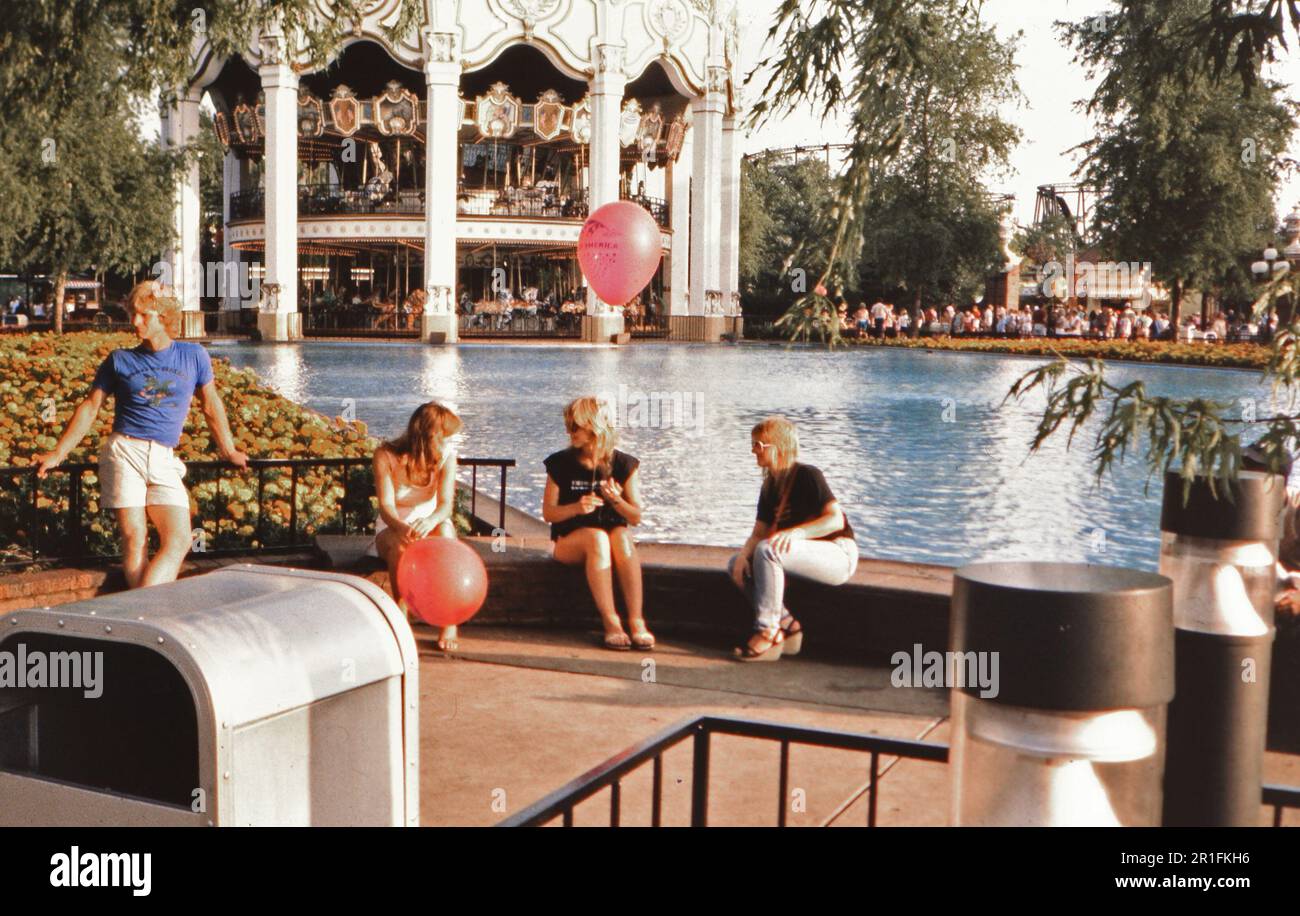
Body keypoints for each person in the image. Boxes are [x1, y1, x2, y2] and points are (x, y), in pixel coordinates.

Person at [35, 281, 249, 588]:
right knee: (135, 538)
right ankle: (147, 614)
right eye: (133, 314)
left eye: (142, 315)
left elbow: (211, 406)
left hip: (164, 457)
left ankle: (144, 610)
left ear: (164, 316)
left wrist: (229, 451)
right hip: (124, 452)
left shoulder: (194, 356)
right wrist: (58, 453)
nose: (134, 322)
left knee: (179, 540)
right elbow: (90, 408)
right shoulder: (119, 360)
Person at [727, 416, 858, 661]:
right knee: (737, 562)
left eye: (758, 445)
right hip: (803, 555)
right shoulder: (769, 487)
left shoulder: (808, 476)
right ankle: (787, 623)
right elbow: (759, 533)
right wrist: (743, 556)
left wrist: (798, 533)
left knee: (768, 550)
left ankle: (769, 630)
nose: (753, 451)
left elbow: (835, 520)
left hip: (837, 552)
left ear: (777, 447)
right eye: (753, 444)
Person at [542, 396, 653, 650]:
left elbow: (635, 517)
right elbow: (548, 513)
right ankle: (611, 622)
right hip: (570, 543)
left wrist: (616, 501)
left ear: (595, 427)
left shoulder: (624, 464)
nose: (569, 432)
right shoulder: (559, 463)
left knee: (622, 537)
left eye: (575, 426)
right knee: (597, 538)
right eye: (568, 425)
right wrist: (576, 508)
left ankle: (636, 621)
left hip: (612, 540)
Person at [368, 401, 463, 650]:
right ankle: (402, 613)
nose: (447, 444)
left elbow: (444, 506)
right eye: (444, 437)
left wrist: (430, 520)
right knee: (400, 546)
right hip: (393, 527)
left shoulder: (445, 458)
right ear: (429, 435)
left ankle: (448, 619)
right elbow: (386, 507)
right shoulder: (386, 456)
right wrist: (401, 527)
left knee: (444, 533)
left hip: (429, 523)